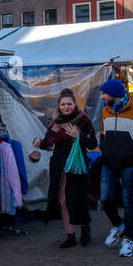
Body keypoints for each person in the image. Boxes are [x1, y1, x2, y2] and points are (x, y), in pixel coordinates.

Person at [96, 77, 133, 258]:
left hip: (129, 163)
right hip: (109, 162)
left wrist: (130, 151)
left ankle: (129, 239)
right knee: (105, 198)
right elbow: (102, 132)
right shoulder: (106, 110)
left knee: (128, 201)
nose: (101, 97)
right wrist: (105, 147)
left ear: (114, 94)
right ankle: (118, 225)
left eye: (104, 93)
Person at [30, 88, 97, 248]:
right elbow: (47, 143)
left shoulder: (83, 121)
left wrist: (78, 136)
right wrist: (39, 141)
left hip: (76, 167)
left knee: (76, 200)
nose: (66, 107)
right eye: (63, 104)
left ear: (75, 105)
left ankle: (85, 227)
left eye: (69, 104)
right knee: (62, 201)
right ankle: (70, 235)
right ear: (59, 106)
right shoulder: (55, 123)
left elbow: (93, 144)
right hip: (59, 167)